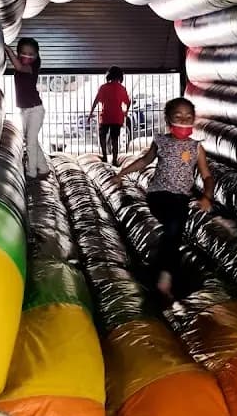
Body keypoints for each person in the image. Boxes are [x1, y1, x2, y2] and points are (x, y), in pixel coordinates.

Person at [117, 96, 213, 298]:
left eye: (188, 117)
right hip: (158, 194)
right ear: (168, 120)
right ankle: (165, 275)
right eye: (178, 116)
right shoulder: (160, 141)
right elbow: (144, 161)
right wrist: (121, 174)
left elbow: (206, 175)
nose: (184, 120)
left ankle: (162, 274)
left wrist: (207, 196)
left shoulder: (197, 148)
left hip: (180, 198)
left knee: (175, 229)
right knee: (174, 224)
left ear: (194, 120)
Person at [4, 37, 49, 179]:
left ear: (36, 56)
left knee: (30, 142)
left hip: (36, 109)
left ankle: (32, 172)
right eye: (24, 53)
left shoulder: (33, 66)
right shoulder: (22, 62)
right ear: (19, 53)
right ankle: (43, 168)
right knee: (31, 140)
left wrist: (7, 49)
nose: (27, 56)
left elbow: (18, 67)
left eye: (31, 54)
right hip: (24, 110)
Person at [89, 66, 131, 165]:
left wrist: (91, 113)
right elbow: (128, 103)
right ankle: (115, 160)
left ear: (109, 75)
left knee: (102, 137)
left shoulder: (103, 87)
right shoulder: (121, 88)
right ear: (120, 76)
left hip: (105, 117)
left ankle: (104, 156)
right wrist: (125, 112)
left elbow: (96, 101)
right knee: (115, 139)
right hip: (117, 117)